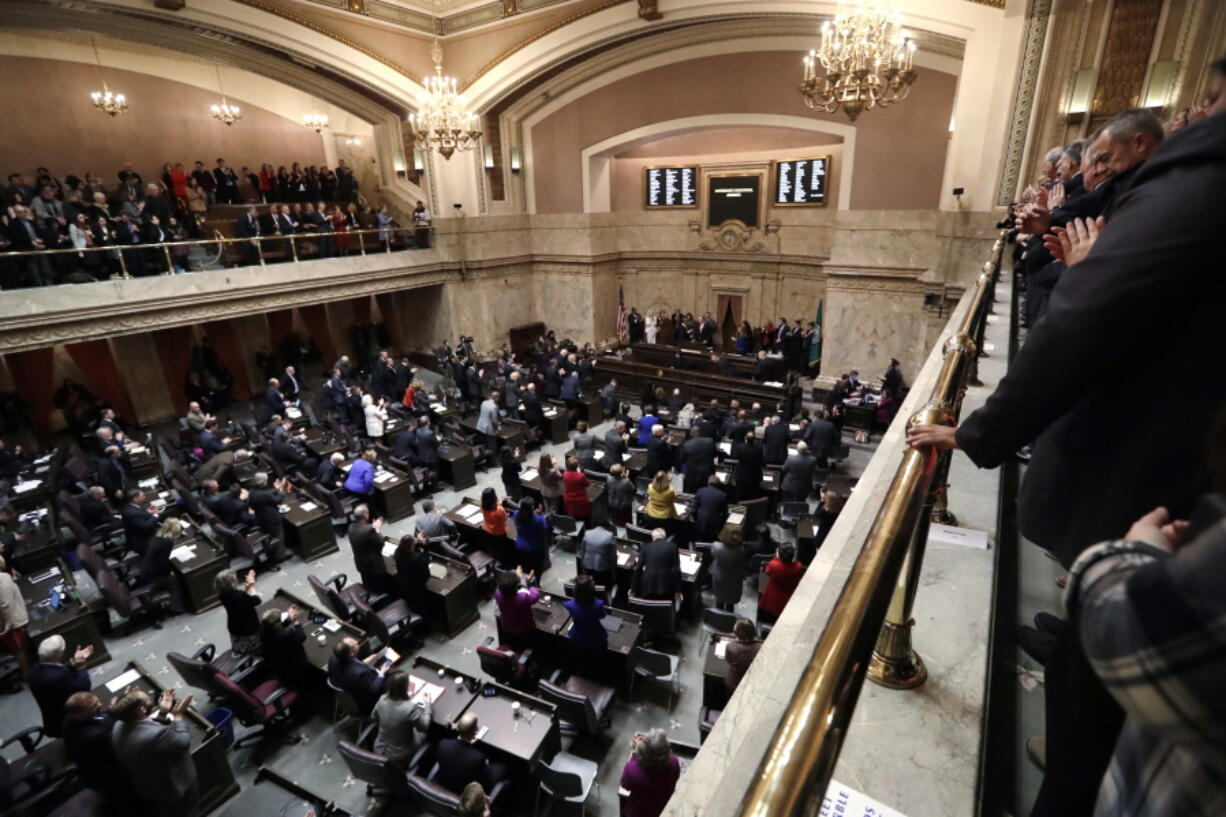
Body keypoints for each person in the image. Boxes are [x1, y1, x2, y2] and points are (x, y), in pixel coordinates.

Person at [111, 688, 197, 817]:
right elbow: (183, 742)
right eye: (149, 699)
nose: (152, 700)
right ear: (142, 709)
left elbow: (148, 734)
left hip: (149, 786)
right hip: (174, 786)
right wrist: (178, 717)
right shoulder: (156, 735)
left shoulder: (118, 725)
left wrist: (162, 713)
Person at [63, 692, 136, 815]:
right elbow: (124, 743)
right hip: (110, 774)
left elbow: (99, 719)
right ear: (78, 714)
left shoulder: (70, 718)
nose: (100, 705)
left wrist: (111, 711)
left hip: (89, 767)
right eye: (94, 707)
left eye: (98, 701)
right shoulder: (100, 734)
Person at [27, 634, 93, 737]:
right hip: (69, 723)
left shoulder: (34, 670)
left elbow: (58, 671)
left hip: (51, 721)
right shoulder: (59, 678)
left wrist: (73, 664)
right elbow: (84, 687)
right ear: (59, 653)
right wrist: (82, 666)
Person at [435, 712, 509, 793]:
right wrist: (486, 764)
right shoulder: (478, 758)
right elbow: (487, 782)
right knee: (503, 766)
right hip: (464, 792)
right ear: (475, 731)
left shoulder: (443, 743)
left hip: (443, 783)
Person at [372, 670, 433, 767]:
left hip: (379, 747)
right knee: (429, 733)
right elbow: (424, 727)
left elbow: (373, 716)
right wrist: (428, 705)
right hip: (400, 755)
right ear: (404, 688)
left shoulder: (382, 698)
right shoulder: (409, 708)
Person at [620, 728, 681, 817]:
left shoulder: (631, 769)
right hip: (664, 809)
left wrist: (635, 754)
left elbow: (625, 785)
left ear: (643, 752)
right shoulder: (674, 763)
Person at [327, 636, 388, 715]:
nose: (357, 643)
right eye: (355, 645)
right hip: (365, 703)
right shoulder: (360, 674)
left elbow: (355, 665)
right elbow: (373, 690)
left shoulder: (334, 658)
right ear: (351, 653)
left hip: (347, 694)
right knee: (395, 678)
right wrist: (382, 674)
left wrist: (374, 657)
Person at [259, 605, 310, 691]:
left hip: (278, 667)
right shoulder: (285, 635)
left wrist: (290, 617)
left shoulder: (263, 630)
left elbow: (278, 625)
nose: (281, 621)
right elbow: (301, 637)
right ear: (276, 624)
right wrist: (296, 621)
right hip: (293, 667)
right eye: (279, 620)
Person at [348, 504, 393, 595]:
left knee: (369, 586)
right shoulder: (370, 529)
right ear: (365, 514)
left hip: (361, 564)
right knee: (381, 589)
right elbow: (381, 542)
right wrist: (377, 529)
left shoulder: (351, 527)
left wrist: (372, 527)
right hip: (374, 567)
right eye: (367, 512)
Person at [215, 569, 262, 654]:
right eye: (235, 577)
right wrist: (252, 586)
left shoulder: (222, 594)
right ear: (232, 582)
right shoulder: (240, 595)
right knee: (253, 649)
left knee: (240, 646)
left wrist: (246, 589)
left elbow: (238, 601)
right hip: (247, 628)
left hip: (234, 625)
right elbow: (257, 600)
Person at [564, 574, 608, 663]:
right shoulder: (599, 604)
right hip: (597, 640)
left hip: (577, 639)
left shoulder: (569, 605)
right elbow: (603, 616)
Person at [493, 567, 539, 650]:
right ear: (516, 587)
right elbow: (535, 595)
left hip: (506, 626)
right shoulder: (523, 597)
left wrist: (516, 576)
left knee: (513, 644)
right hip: (524, 629)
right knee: (526, 646)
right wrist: (528, 583)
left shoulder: (497, 593)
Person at [758, 544, 804, 625]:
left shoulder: (774, 565)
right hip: (786, 601)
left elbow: (768, 571)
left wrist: (776, 557)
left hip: (770, 601)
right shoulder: (798, 567)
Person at [0, 556, 30, 673]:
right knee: (20, 650)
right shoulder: (3, 578)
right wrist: (9, 624)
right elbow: (6, 605)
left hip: (6, 621)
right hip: (11, 622)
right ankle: (27, 673)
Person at [634, 528, 681, 601]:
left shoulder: (645, 547)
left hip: (647, 586)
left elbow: (638, 568)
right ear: (665, 538)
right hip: (666, 587)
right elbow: (676, 570)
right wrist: (678, 590)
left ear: (653, 537)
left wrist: (633, 588)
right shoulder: (673, 547)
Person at [709, 525, 745, 611]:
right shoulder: (740, 551)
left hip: (719, 578)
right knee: (730, 604)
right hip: (734, 580)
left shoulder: (716, 547)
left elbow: (712, 554)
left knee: (719, 601)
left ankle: (718, 617)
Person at [393, 533, 432, 614]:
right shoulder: (417, 558)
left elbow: (407, 548)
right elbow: (426, 574)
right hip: (417, 589)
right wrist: (425, 546)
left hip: (403, 585)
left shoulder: (397, 552)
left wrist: (418, 542)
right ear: (412, 546)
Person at [512, 496, 549, 575]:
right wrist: (540, 513)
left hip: (520, 545)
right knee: (537, 568)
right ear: (532, 507)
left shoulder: (516, 514)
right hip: (536, 547)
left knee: (525, 566)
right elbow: (545, 528)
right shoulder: (539, 519)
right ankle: (536, 583)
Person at [725, 617, 761, 692]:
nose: (734, 626)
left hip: (734, 681)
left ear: (738, 632)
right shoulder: (759, 648)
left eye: (735, 626)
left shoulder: (730, 647)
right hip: (751, 681)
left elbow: (728, 659)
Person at [121, 489, 160, 556]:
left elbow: (139, 515)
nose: (144, 497)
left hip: (138, 536)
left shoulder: (129, 507)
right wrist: (156, 515)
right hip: (144, 542)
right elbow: (146, 527)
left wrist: (148, 512)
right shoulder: (133, 513)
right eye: (142, 496)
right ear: (135, 499)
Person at [578, 523, 616, 590]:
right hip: (603, 570)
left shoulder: (587, 533)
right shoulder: (610, 536)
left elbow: (582, 552)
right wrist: (614, 574)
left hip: (587, 567)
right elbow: (613, 558)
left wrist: (582, 567)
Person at [693, 474, 729, 543]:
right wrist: (721, 524)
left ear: (708, 482)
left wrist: (697, 520)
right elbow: (725, 514)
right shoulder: (723, 495)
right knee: (712, 544)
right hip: (715, 526)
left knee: (700, 543)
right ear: (718, 484)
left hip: (701, 523)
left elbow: (694, 510)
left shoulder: (700, 491)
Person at [561, 456, 591, 522]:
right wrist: (579, 473)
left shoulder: (565, 474)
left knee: (572, 517)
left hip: (568, 499)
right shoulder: (581, 476)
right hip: (580, 500)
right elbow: (587, 484)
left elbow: (564, 481)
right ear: (577, 466)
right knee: (582, 518)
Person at [606, 463, 635, 529]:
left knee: (616, 516)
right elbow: (633, 489)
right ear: (621, 472)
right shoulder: (626, 481)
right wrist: (627, 477)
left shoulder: (609, 478)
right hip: (624, 504)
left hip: (612, 502)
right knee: (625, 517)